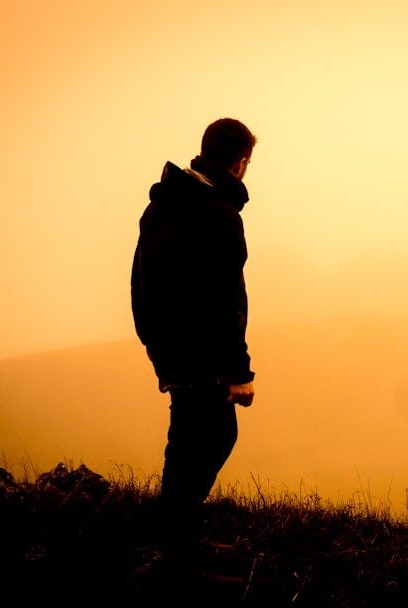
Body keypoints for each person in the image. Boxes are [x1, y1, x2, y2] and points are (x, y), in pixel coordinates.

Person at [130, 118, 257, 581]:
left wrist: (153, 341)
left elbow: (138, 279)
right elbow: (227, 301)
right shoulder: (220, 216)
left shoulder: (164, 205)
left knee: (187, 441)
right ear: (241, 163)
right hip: (202, 354)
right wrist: (239, 371)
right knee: (210, 439)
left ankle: (179, 543)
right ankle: (178, 558)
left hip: (170, 345)